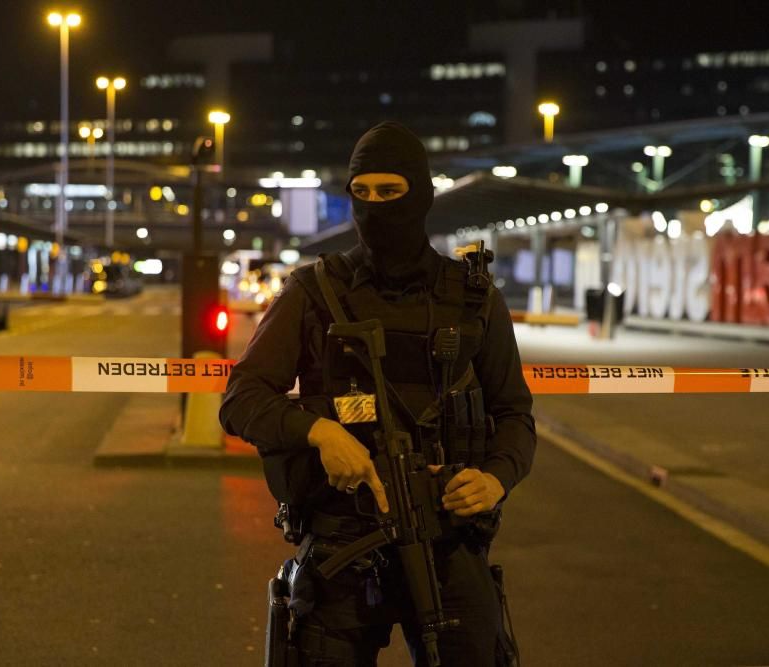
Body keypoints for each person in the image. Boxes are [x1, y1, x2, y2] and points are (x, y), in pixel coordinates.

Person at [220, 121, 535, 666]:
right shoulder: (313, 291)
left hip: (446, 537)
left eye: (390, 192)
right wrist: (319, 432)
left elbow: (514, 414)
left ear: (422, 195)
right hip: (343, 541)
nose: (374, 206)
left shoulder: (473, 299)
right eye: (361, 193)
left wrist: (495, 477)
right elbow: (241, 399)